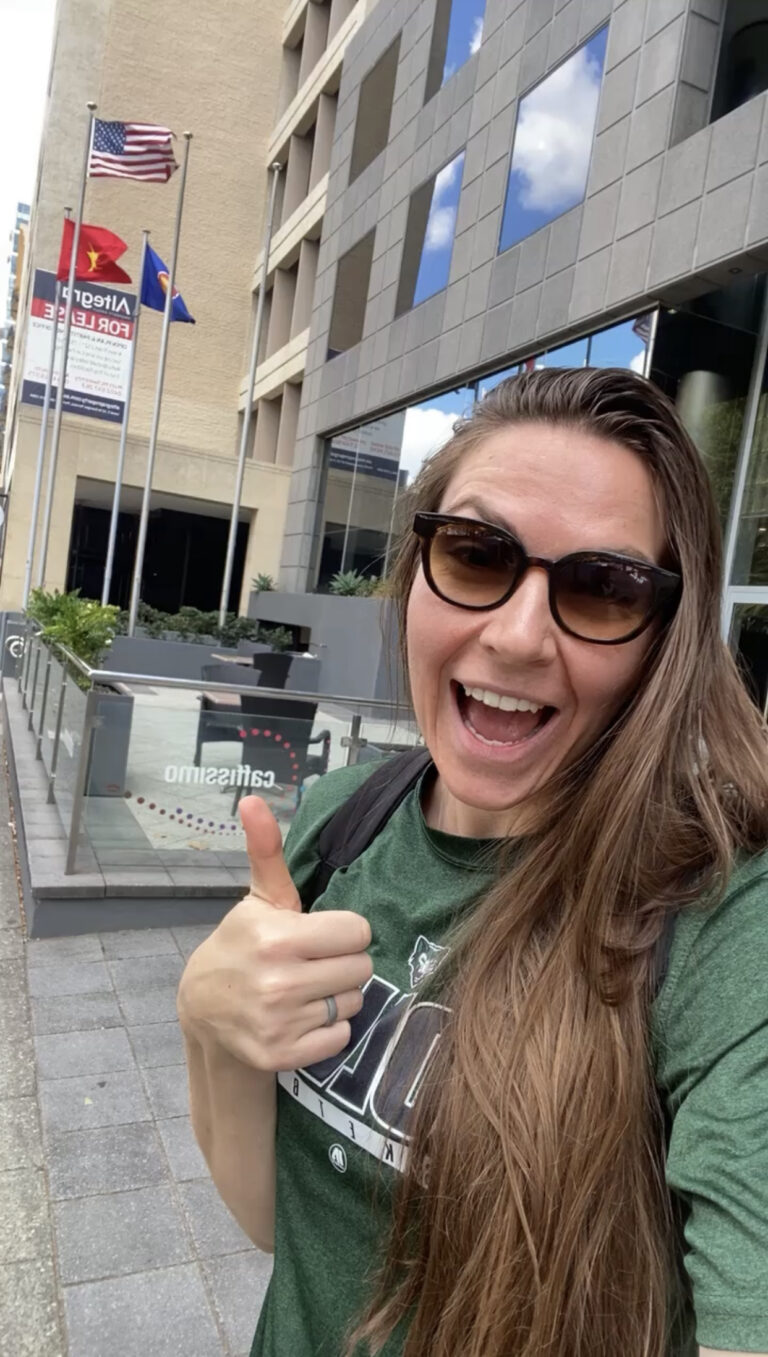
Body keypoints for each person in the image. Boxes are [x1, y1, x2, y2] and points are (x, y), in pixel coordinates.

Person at [177, 367, 768, 1357]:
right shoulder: (341, 822)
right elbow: (287, 1231)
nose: (521, 634)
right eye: (479, 554)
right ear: (417, 571)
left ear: (660, 642)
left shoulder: (718, 918)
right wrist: (210, 1025)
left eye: (602, 585)